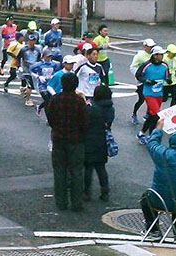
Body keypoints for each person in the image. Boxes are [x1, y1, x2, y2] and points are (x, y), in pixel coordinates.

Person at [47, 73, 89, 212]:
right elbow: (85, 122)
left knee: (59, 171)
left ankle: (61, 202)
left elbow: (51, 119)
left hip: (58, 138)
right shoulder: (79, 101)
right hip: (76, 139)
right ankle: (76, 203)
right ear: (76, 85)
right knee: (76, 171)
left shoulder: (55, 99)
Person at [84, 85, 114, 202]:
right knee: (101, 168)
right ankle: (105, 191)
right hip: (102, 141)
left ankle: (86, 192)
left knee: (88, 168)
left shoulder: (92, 109)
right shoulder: (110, 109)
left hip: (89, 140)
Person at [135, 46, 170, 145]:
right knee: (156, 115)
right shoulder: (146, 65)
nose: (162, 56)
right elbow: (138, 75)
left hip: (159, 93)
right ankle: (151, 137)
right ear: (155, 56)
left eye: (163, 54)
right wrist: (146, 81)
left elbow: (167, 76)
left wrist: (170, 78)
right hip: (148, 93)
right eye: (160, 55)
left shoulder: (164, 65)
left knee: (151, 115)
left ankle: (141, 133)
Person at [130, 38, 155, 125]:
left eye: (152, 46)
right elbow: (132, 67)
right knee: (141, 99)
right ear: (144, 46)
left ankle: (148, 115)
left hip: (151, 81)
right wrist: (140, 76)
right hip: (142, 81)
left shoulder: (154, 55)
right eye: (149, 46)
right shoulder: (139, 55)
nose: (151, 48)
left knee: (150, 99)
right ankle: (134, 114)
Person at [30, 49, 61, 117]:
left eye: (50, 56)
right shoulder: (39, 64)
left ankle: (39, 107)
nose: (49, 58)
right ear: (43, 56)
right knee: (47, 100)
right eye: (47, 56)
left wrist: (53, 76)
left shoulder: (54, 64)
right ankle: (48, 117)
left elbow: (58, 72)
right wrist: (38, 76)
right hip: (42, 86)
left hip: (51, 85)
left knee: (50, 100)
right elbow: (31, 71)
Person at [16, 34, 42, 107]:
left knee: (32, 85)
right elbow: (18, 58)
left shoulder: (37, 50)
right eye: (30, 40)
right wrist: (19, 67)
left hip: (34, 70)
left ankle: (24, 89)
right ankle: (28, 100)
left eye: (33, 40)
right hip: (26, 70)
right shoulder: (24, 49)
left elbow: (39, 59)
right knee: (30, 85)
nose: (32, 42)